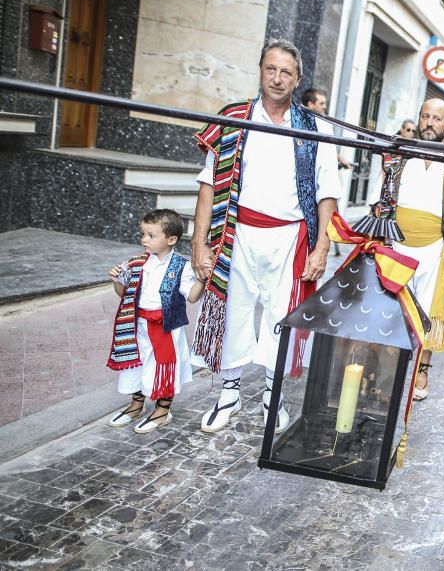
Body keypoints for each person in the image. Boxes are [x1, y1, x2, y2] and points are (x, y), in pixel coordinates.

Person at [191, 39, 342, 434]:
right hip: (236, 233)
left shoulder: (315, 127)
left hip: (291, 237)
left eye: (286, 72)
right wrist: (198, 241)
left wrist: (322, 246)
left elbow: (328, 192)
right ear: (260, 70)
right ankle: (229, 393)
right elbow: (208, 184)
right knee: (234, 310)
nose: (277, 79)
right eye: (271, 69)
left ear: (298, 78)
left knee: (281, 316)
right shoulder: (233, 118)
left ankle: (273, 396)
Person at [364, 98, 444, 400]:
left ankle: (422, 371)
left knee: (431, 312)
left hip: (438, 249)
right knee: (392, 310)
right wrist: (376, 243)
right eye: (425, 116)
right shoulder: (398, 156)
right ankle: (388, 368)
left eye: (437, 119)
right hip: (397, 245)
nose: (429, 123)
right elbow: (378, 201)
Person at [106, 209, 204, 433]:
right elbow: (123, 292)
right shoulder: (136, 263)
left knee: (164, 366)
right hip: (138, 324)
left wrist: (202, 279)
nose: (144, 240)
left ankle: (162, 410)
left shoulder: (181, 266)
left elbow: (192, 296)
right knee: (136, 363)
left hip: (165, 328)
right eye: (143, 234)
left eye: (151, 236)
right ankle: (136, 405)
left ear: (171, 240)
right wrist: (116, 280)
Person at [303, 87, 351, 257]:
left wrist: (340, 159)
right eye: (321, 103)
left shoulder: (322, 124)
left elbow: (325, 149)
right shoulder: (301, 122)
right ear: (310, 104)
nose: (324, 107)